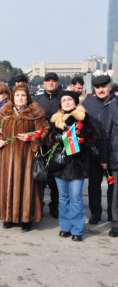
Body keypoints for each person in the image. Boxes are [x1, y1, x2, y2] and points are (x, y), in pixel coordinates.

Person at [0, 84, 48, 231]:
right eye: (17, 95)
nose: (20, 98)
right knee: (8, 185)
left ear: (27, 97)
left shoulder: (35, 112)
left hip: (26, 156)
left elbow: (44, 130)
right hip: (6, 156)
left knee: (26, 186)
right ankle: (9, 217)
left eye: (23, 95)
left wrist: (32, 136)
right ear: (12, 97)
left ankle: (27, 219)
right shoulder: (4, 113)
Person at [47, 91, 100, 241]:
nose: (67, 102)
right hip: (60, 165)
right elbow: (47, 138)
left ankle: (77, 229)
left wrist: (82, 140)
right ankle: (65, 227)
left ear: (75, 102)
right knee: (63, 197)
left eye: (69, 99)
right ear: (60, 104)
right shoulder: (55, 119)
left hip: (77, 164)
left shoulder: (83, 117)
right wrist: (55, 137)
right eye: (64, 100)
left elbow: (96, 136)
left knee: (76, 197)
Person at [83, 75, 116, 224]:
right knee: (94, 185)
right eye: (98, 87)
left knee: (113, 186)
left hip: (113, 152)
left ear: (110, 86)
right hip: (94, 152)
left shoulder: (116, 103)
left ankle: (112, 213)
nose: (101, 90)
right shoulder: (88, 104)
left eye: (104, 86)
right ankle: (95, 213)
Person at [34, 72, 61, 218]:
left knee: (56, 178)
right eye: (48, 81)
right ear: (44, 83)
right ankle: (39, 204)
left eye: (53, 81)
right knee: (39, 176)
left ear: (57, 83)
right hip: (41, 144)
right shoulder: (36, 100)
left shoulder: (63, 99)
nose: (51, 83)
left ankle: (54, 206)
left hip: (57, 144)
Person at [106, 98, 118, 237]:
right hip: (116, 157)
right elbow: (107, 134)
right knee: (116, 193)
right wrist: (105, 158)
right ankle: (116, 224)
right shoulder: (113, 106)